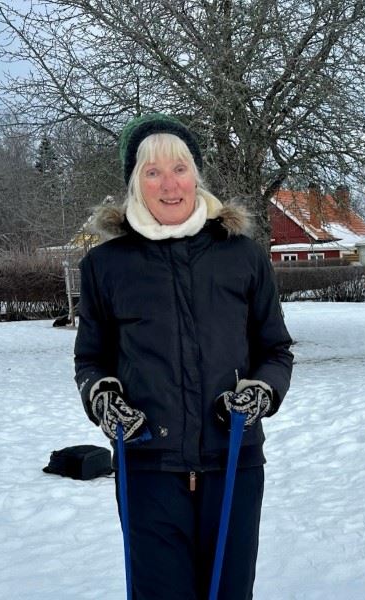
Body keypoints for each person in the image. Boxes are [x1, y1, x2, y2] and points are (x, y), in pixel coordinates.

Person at [73, 113, 293, 600]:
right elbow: (91, 359)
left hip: (233, 459)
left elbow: (275, 348)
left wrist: (261, 390)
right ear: (135, 183)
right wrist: (103, 397)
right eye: (152, 172)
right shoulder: (105, 266)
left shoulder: (242, 255)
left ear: (197, 174)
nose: (169, 184)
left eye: (180, 168)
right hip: (147, 465)